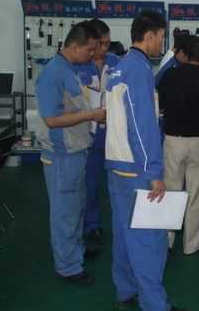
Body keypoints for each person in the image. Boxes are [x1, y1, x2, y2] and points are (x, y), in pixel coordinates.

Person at [104, 10, 185, 311]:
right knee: (149, 240)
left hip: (117, 164)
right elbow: (140, 127)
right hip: (136, 167)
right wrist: (154, 171)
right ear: (149, 36)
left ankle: (126, 290)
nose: (162, 44)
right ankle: (155, 305)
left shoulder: (119, 67)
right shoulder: (138, 69)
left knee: (124, 234)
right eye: (161, 37)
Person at [35, 22, 106, 286]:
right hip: (61, 155)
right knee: (64, 211)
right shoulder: (52, 74)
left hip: (76, 151)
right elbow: (52, 120)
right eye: (89, 50)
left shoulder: (69, 69)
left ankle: (75, 250)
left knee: (76, 207)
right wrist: (92, 115)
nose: (92, 54)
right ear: (75, 46)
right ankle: (68, 267)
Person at [158, 37, 199, 254]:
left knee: (170, 192)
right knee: (196, 195)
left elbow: (161, 105)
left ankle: (166, 241)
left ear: (185, 55)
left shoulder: (170, 76)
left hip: (173, 140)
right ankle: (192, 244)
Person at [75, 18, 120, 249]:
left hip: (112, 133)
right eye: (100, 43)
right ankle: (91, 227)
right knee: (89, 185)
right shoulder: (77, 66)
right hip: (87, 133)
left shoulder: (116, 62)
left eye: (107, 43)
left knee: (116, 184)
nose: (104, 48)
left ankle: (118, 227)